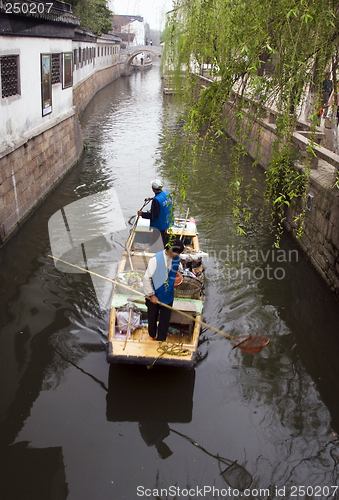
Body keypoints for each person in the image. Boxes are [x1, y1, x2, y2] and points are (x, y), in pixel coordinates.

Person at [143, 239, 185, 341]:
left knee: (165, 319)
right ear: (170, 251)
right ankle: (152, 335)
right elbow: (146, 278)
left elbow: (173, 271)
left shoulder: (176, 258)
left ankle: (161, 339)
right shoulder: (156, 260)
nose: (179, 255)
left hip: (168, 294)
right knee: (152, 317)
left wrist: (177, 273)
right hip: (155, 294)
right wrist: (151, 295)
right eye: (177, 253)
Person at [137, 179, 173, 247]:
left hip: (160, 224)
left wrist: (142, 214)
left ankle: (158, 252)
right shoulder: (166, 193)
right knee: (164, 237)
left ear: (153, 189)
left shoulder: (156, 200)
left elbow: (154, 215)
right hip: (167, 220)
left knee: (156, 241)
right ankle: (164, 248)